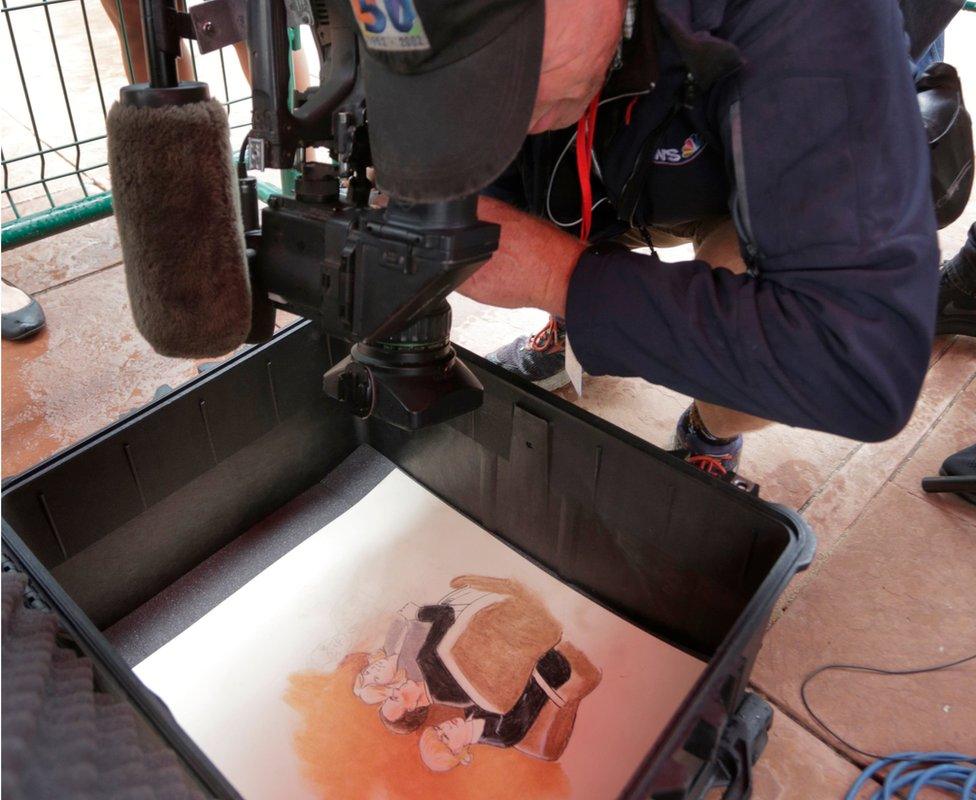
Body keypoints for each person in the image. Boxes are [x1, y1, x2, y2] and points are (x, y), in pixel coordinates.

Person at [353, 0, 944, 480]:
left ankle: (712, 430)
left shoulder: (812, 17)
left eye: (495, 62)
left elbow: (858, 362)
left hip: (744, 182)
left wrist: (559, 277)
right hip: (616, 156)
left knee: (754, 296)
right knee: (501, 173)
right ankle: (577, 322)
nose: (479, 109)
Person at [419, 642, 602, 772]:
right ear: (459, 752)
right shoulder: (503, 733)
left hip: (530, 657)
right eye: (445, 738)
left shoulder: (470, 709)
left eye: (438, 728)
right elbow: (532, 694)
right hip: (550, 669)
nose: (445, 727)